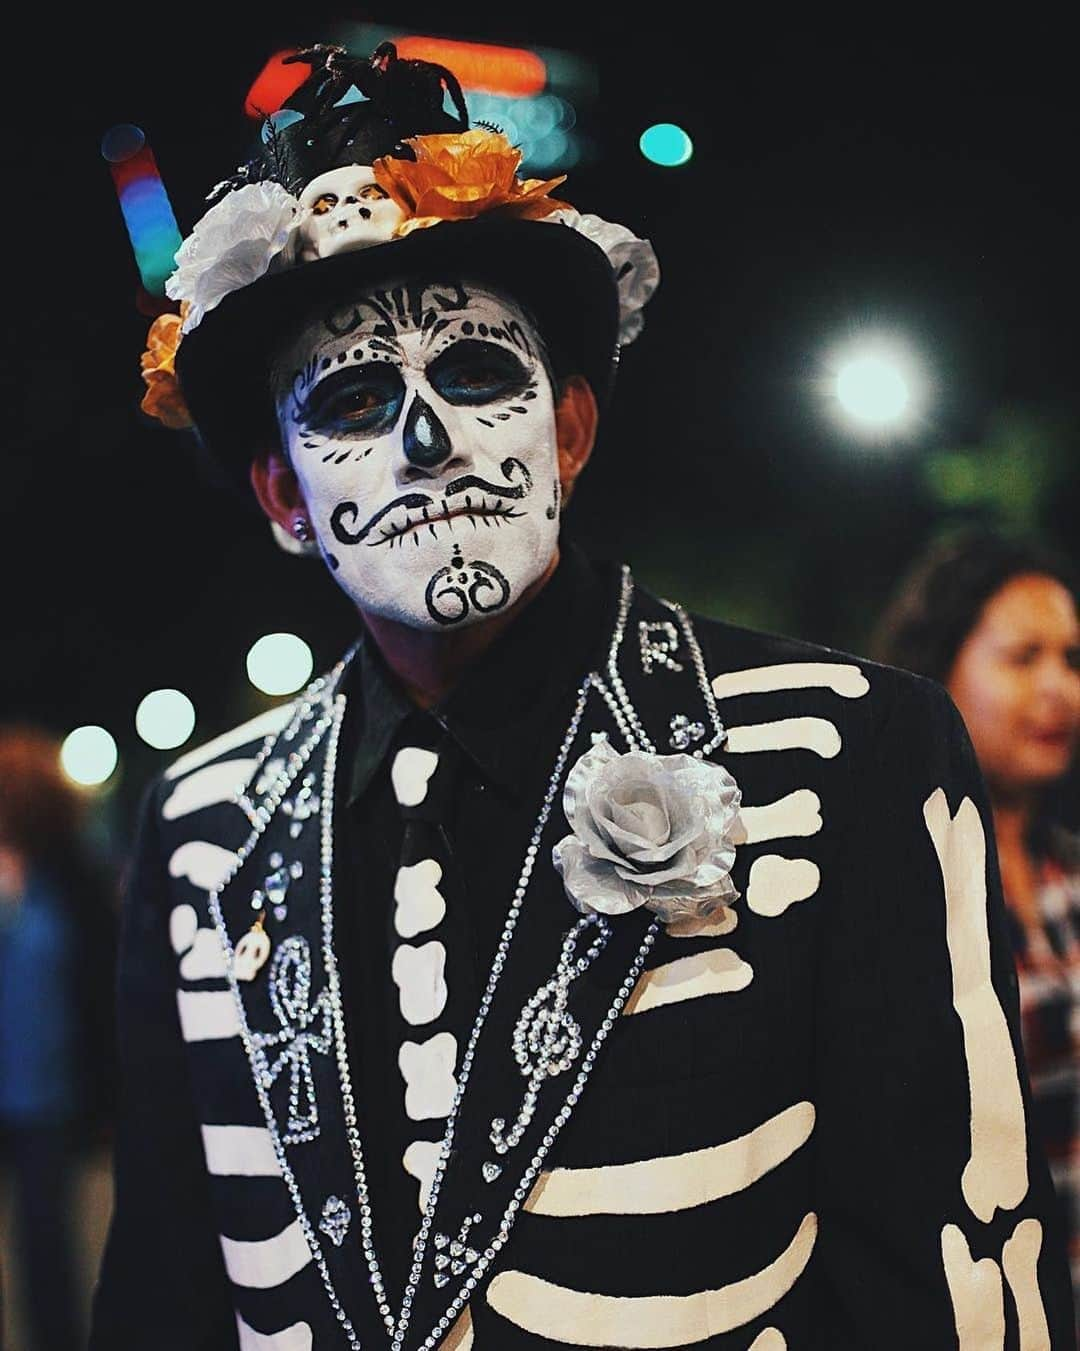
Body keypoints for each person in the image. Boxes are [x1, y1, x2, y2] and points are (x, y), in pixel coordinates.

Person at [90, 41, 1074, 1349]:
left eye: (475, 374)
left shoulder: (850, 751)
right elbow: (167, 1290)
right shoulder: (207, 825)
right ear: (283, 497)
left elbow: (961, 1282)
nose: (425, 440)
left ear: (570, 430)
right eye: (356, 398)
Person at [874, 529, 1080, 1310]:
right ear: (937, 670)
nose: (1059, 687)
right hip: (974, 1307)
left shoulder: (1068, 871)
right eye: (1023, 658)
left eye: (1071, 657)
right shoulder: (896, 887)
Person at [0, 726, 117, 1351]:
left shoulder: (70, 881)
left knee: (47, 1242)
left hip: (46, 1090)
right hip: (25, 1081)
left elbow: (99, 988)